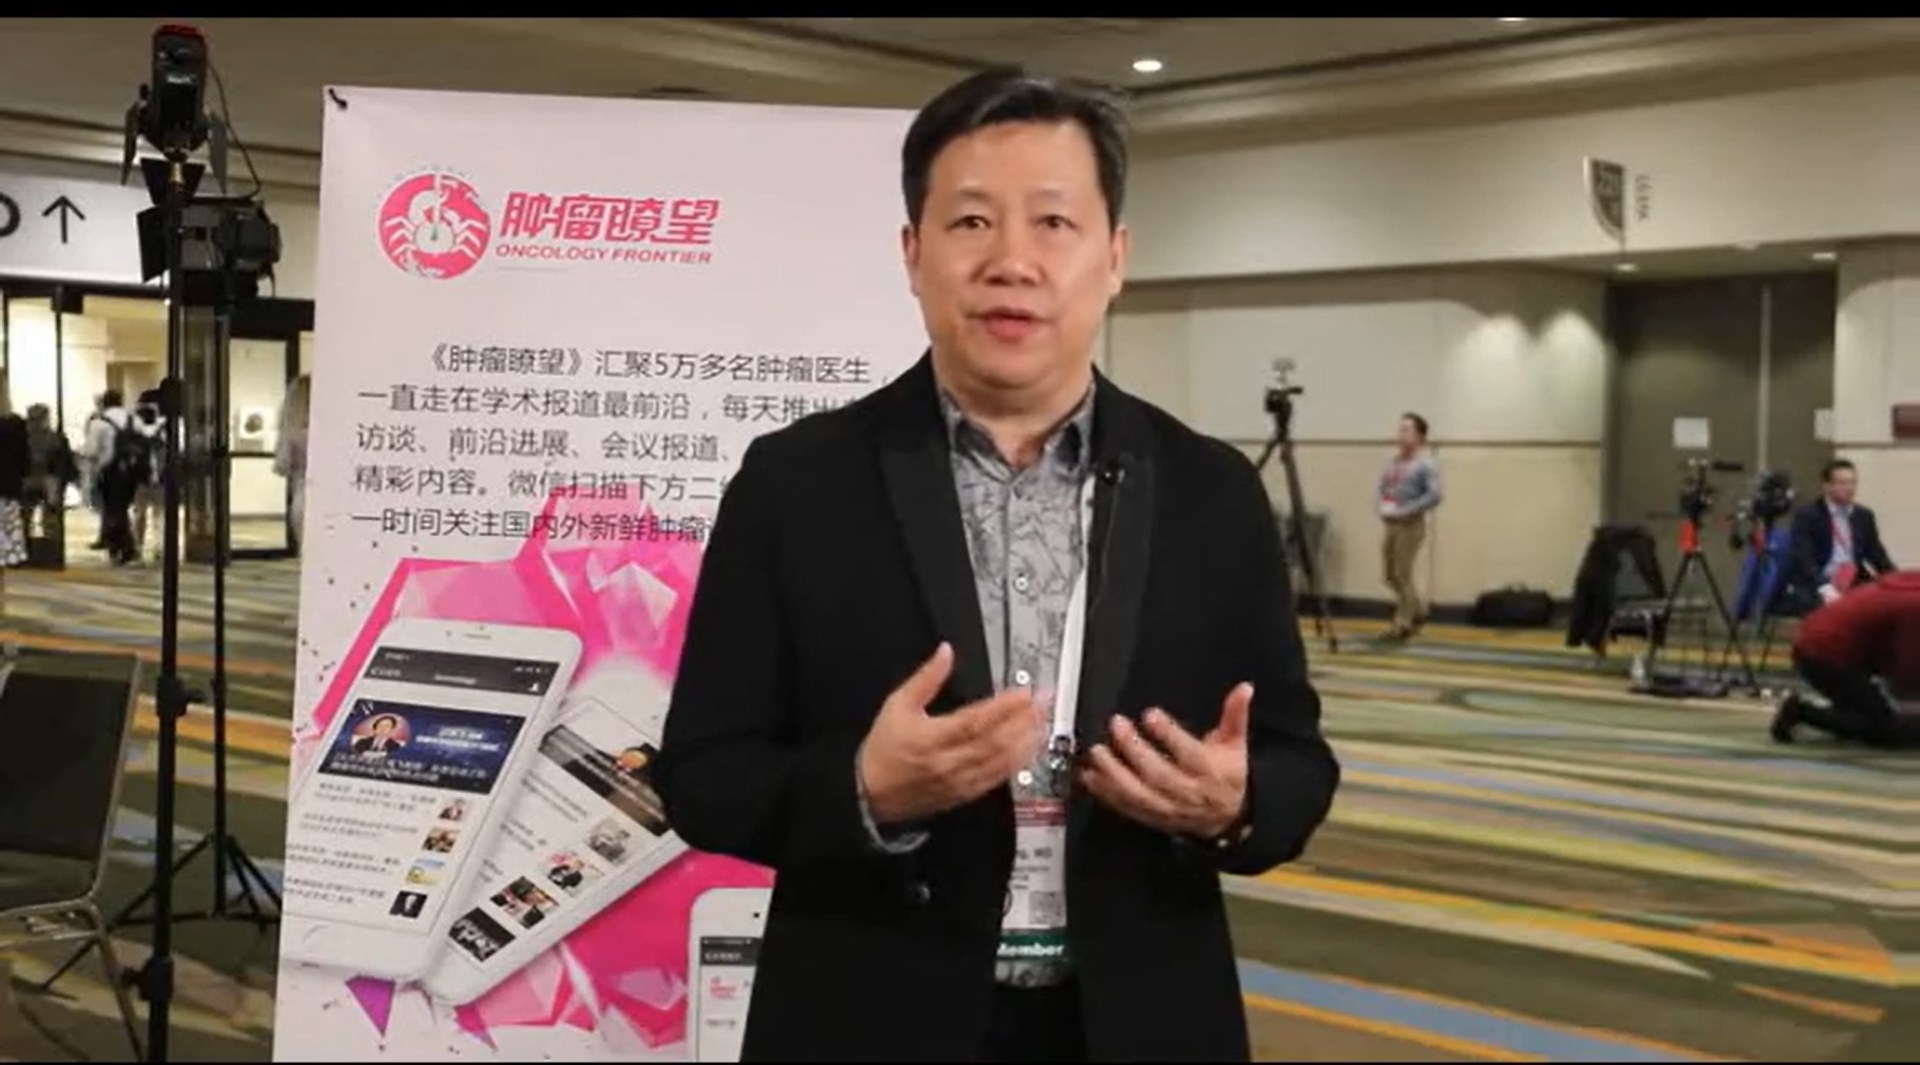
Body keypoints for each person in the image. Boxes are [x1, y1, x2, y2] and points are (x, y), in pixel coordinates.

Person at [654, 68, 1340, 1063]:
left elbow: (1297, 764)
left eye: (1054, 223)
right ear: (912, 253)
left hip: (1140, 1019)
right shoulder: (798, 482)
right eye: (971, 222)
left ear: (1114, 257)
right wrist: (863, 788)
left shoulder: (1211, 490)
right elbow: (704, 775)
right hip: (867, 1016)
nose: (1012, 261)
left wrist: (1235, 805)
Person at [1770, 570, 1920, 748]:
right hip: (1826, 654)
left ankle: (1843, 717)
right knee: (1883, 729)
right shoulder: (1914, 606)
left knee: (1866, 707)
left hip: (1814, 643)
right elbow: (1906, 674)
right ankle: (1802, 713)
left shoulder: (1902, 589)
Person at [1786, 459, 1895, 608]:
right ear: (1827, 486)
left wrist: (1898, 581)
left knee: (1886, 602)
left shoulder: (1863, 516)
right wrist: (1824, 586)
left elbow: (1877, 554)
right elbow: (1804, 558)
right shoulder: (1808, 515)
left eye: (1852, 483)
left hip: (1853, 580)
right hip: (1818, 581)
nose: (1849, 488)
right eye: (1842, 483)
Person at [1376, 412, 1442, 640]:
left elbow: (1434, 495)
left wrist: (1406, 510)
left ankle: (1402, 623)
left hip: (1411, 524)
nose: (1401, 434)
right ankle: (1417, 610)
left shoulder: (1426, 464)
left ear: (1419, 436)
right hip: (1391, 523)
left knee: (1403, 573)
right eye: (1400, 429)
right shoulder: (1392, 462)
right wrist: (1383, 505)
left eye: (1407, 430)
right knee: (1389, 575)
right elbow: (1385, 488)